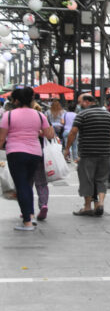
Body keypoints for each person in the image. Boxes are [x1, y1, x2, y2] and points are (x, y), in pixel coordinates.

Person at [0, 87, 54, 230]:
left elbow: (1, 138)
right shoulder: (39, 115)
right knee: (26, 185)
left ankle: (27, 222)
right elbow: (50, 135)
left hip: (15, 153)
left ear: (16, 100)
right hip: (35, 154)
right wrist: (38, 131)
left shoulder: (9, 116)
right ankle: (29, 215)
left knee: (22, 185)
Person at [63, 93, 110, 217]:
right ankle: (100, 204)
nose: (79, 104)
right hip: (105, 153)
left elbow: (73, 132)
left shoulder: (82, 114)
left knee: (87, 179)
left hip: (87, 153)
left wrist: (67, 149)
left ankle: (87, 207)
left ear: (87, 102)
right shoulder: (107, 114)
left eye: (80, 101)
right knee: (101, 180)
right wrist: (109, 143)